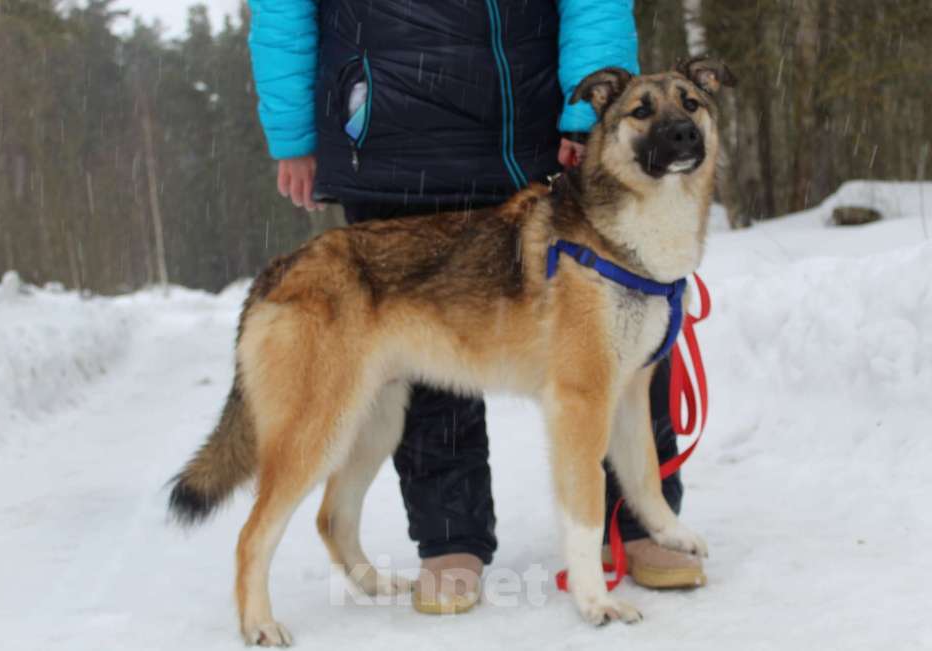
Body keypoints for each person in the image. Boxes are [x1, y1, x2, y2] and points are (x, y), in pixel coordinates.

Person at [248, 0, 705, 614]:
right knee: (417, 386)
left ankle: (639, 524)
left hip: (524, 116)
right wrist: (293, 132)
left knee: (613, 358)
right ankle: (448, 543)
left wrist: (586, 110)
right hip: (387, 127)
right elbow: (283, 10)